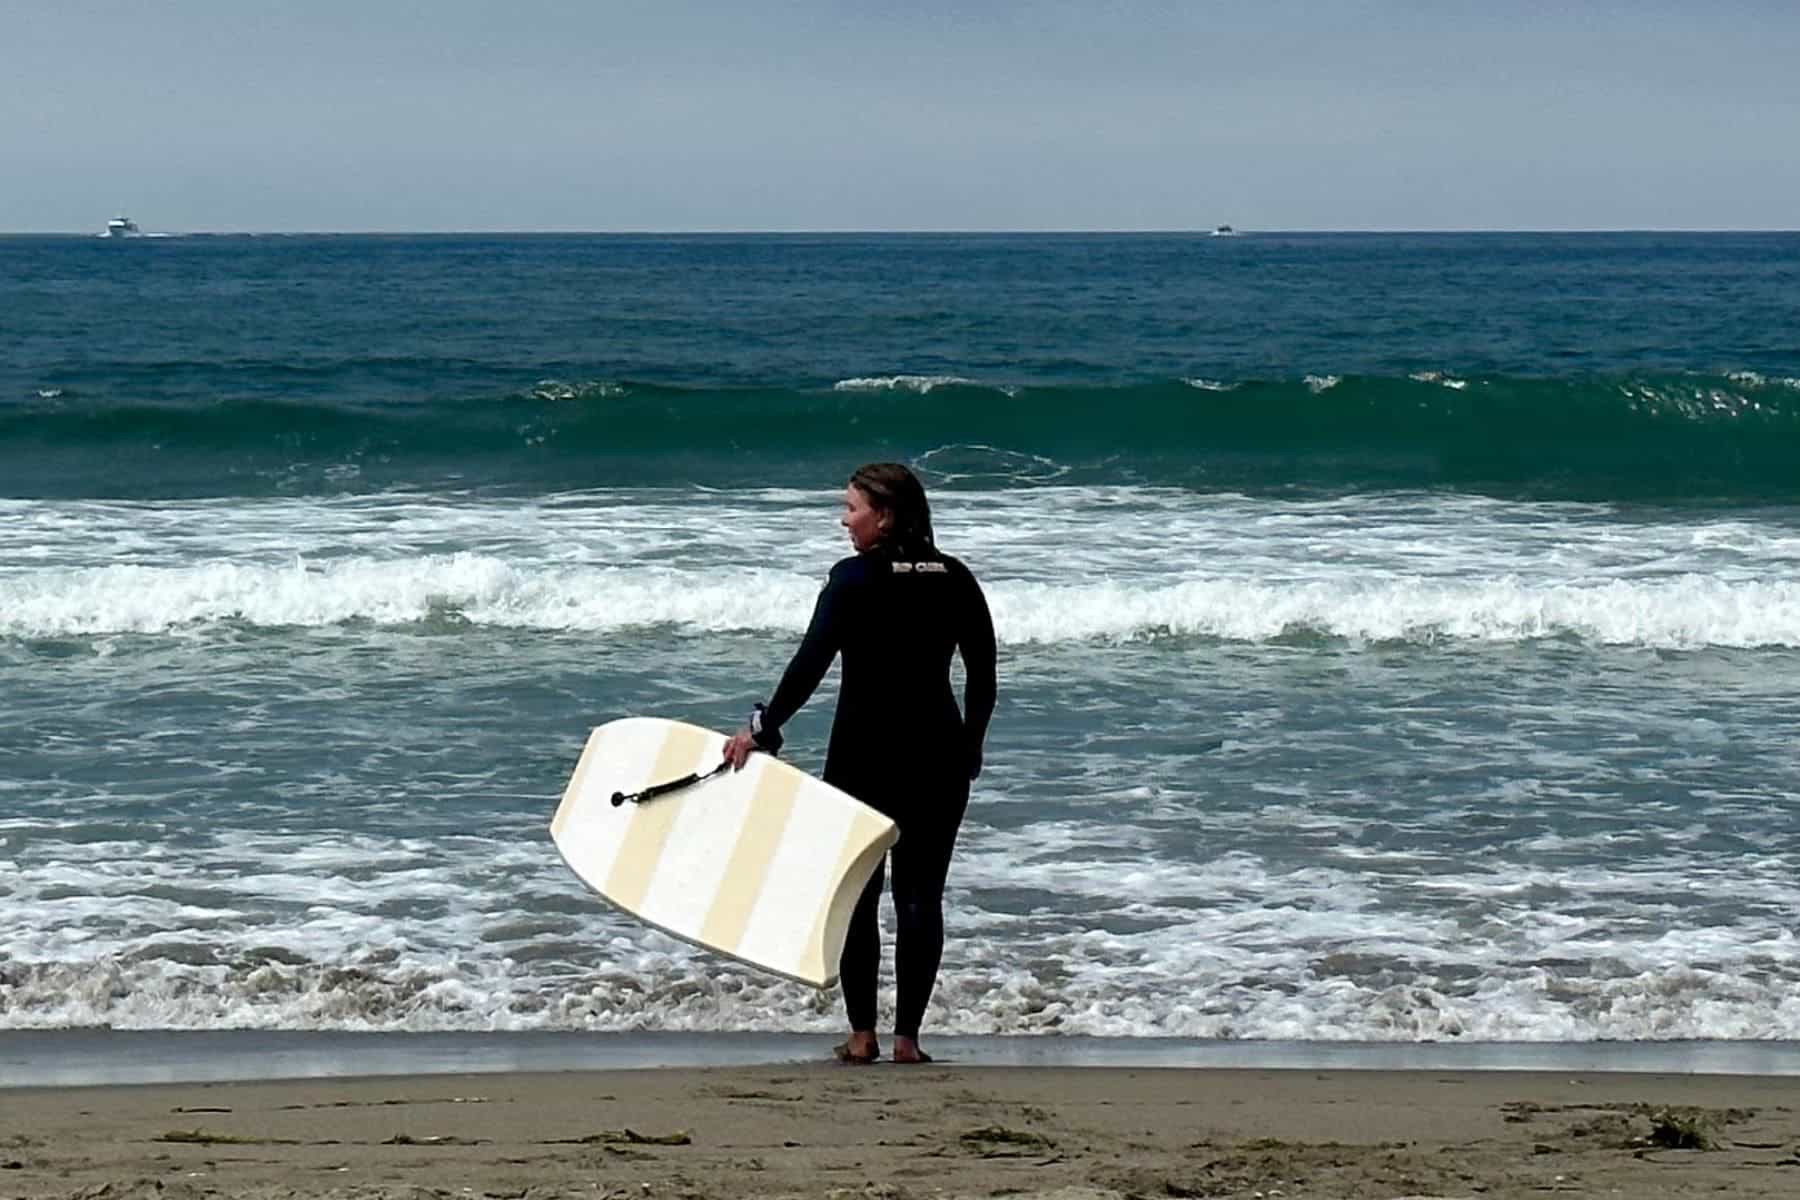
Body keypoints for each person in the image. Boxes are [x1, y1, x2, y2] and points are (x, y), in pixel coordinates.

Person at [722, 462, 996, 1065]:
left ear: (886, 515)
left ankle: (862, 1035)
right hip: (937, 759)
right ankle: (909, 1042)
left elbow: (809, 665)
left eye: (852, 508)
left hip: (863, 760)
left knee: (859, 897)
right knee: (922, 897)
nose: (844, 520)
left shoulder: (852, 580)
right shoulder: (956, 579)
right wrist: (971, 744)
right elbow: (983, 673)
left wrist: (761, 730)